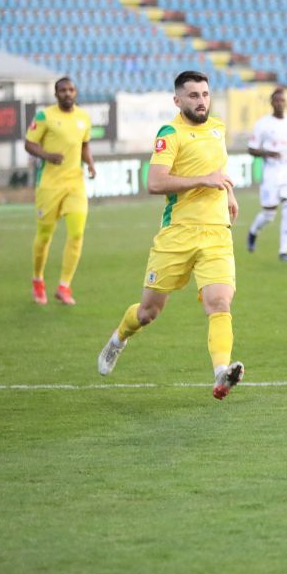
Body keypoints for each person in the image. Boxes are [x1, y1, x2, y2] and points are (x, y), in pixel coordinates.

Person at [97, 71, 245, 400]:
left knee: (220, 302)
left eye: (205, 94)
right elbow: (155, 182)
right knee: (148, 312)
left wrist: (228, 193)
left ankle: (221, 373)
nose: (201, 101)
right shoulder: (170, 134)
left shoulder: (218, 128)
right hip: (178, 234)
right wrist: (203, 180)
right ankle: (119, 338)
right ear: (177, 100)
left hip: (217, 233)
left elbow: (218, 171)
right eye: (193, 96)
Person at [24, 77, 97, 305]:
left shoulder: (83, 117)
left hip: (75, 184)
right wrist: (47, 155)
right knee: (45, 236)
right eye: (63, 90)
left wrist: (90, 163)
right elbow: (29, 143)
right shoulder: (44, 116)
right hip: (49, 185)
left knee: (76, 235)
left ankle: (64, 286)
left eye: (71, 90)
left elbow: (84, 145)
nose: (67, 93)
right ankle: (38, 280)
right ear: (56, 94)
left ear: (76, 92)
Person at [246, 87, 287, 262]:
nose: (280, 103)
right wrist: (268, 153)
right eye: (276, 101)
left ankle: (284, 251)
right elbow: (251, 149)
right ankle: (253, 232)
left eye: (282, 100)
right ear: (271, 103)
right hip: (272, 171)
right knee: (269, 214)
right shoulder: (262, 124)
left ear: (286, 103)